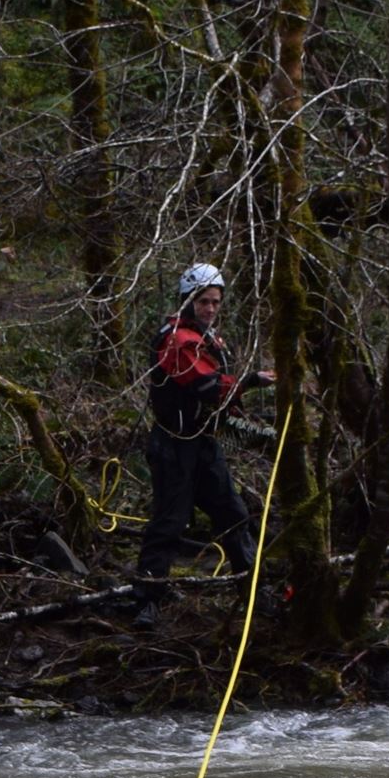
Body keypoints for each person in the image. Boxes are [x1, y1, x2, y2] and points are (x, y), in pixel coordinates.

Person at [133, 262, 263, 626]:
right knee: (169, 522)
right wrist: (250, 381)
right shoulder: (176, 341)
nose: (209, 308)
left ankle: (251, 590)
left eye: (215, 302)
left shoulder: (207, 338)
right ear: (188, 301)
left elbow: (216, 388)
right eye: (203, 301)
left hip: (203, 443)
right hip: (173, 446)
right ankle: (147, 599)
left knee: (234, 515)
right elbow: (204, 386)